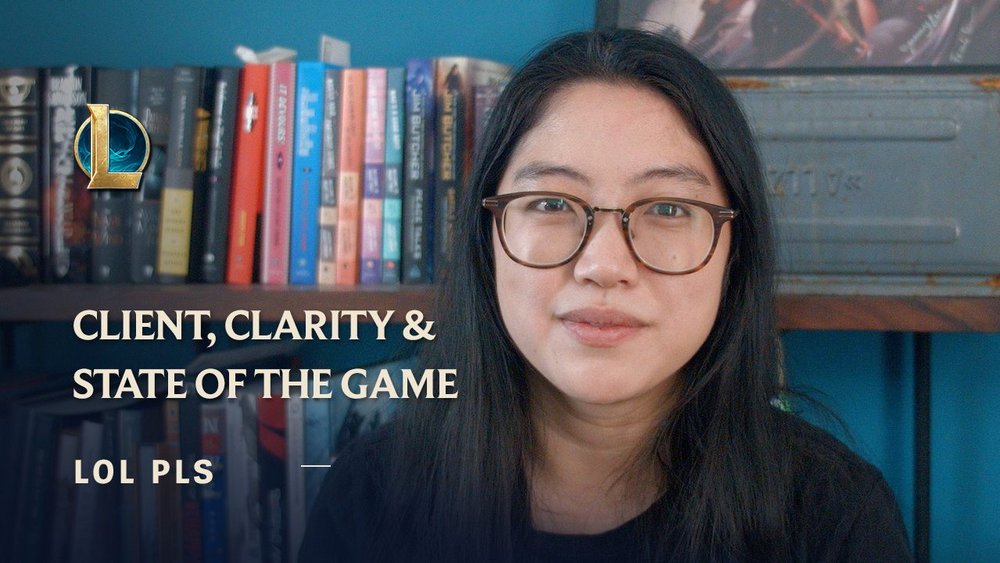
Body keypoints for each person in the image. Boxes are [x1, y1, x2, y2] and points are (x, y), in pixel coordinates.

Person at [299, 29, 912, 562]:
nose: (603, 266)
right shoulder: (368, 498)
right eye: (551, 203)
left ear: (735, 251)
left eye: (668, 209)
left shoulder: (833, 517)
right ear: (487, 238)